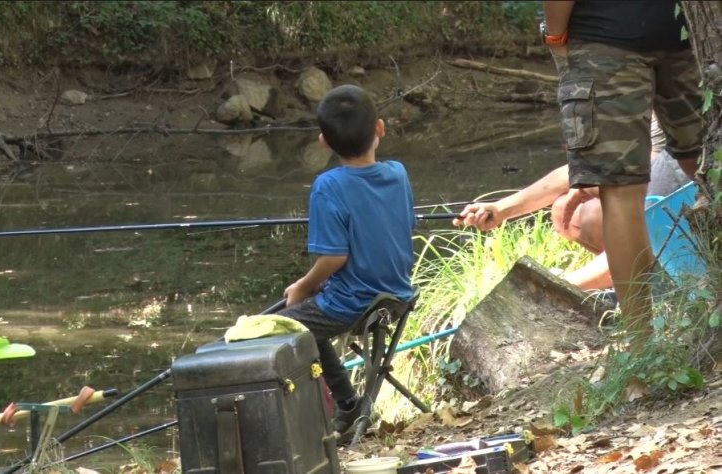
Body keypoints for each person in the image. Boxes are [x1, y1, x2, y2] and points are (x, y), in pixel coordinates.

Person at [540, 0, 704, 342]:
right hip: (689, 30)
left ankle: (644, 349)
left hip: (605, 37)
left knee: (621, 193)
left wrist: (556, 37)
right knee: (705, 166)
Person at [276, 84, 416, 440]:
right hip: (397, 297)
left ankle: (306, 428)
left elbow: (335, 256)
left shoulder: (328, 185)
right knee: (305, 317)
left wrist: (303, 286)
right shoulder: (398, 173)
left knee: (273, 330)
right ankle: (348, 404)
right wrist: (314, 286)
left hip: (353, 304)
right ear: (380, 129)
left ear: (324, 141)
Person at [454, 117, 691, 291]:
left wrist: (556, 289)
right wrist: (500, 209)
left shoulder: (672, 102)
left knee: (609, 216)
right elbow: (579, 171)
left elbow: (647, 192)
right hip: (659, 195)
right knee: (565, 210)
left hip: (675, 207)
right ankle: (640, 284)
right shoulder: (641, 103)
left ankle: (646, 289)